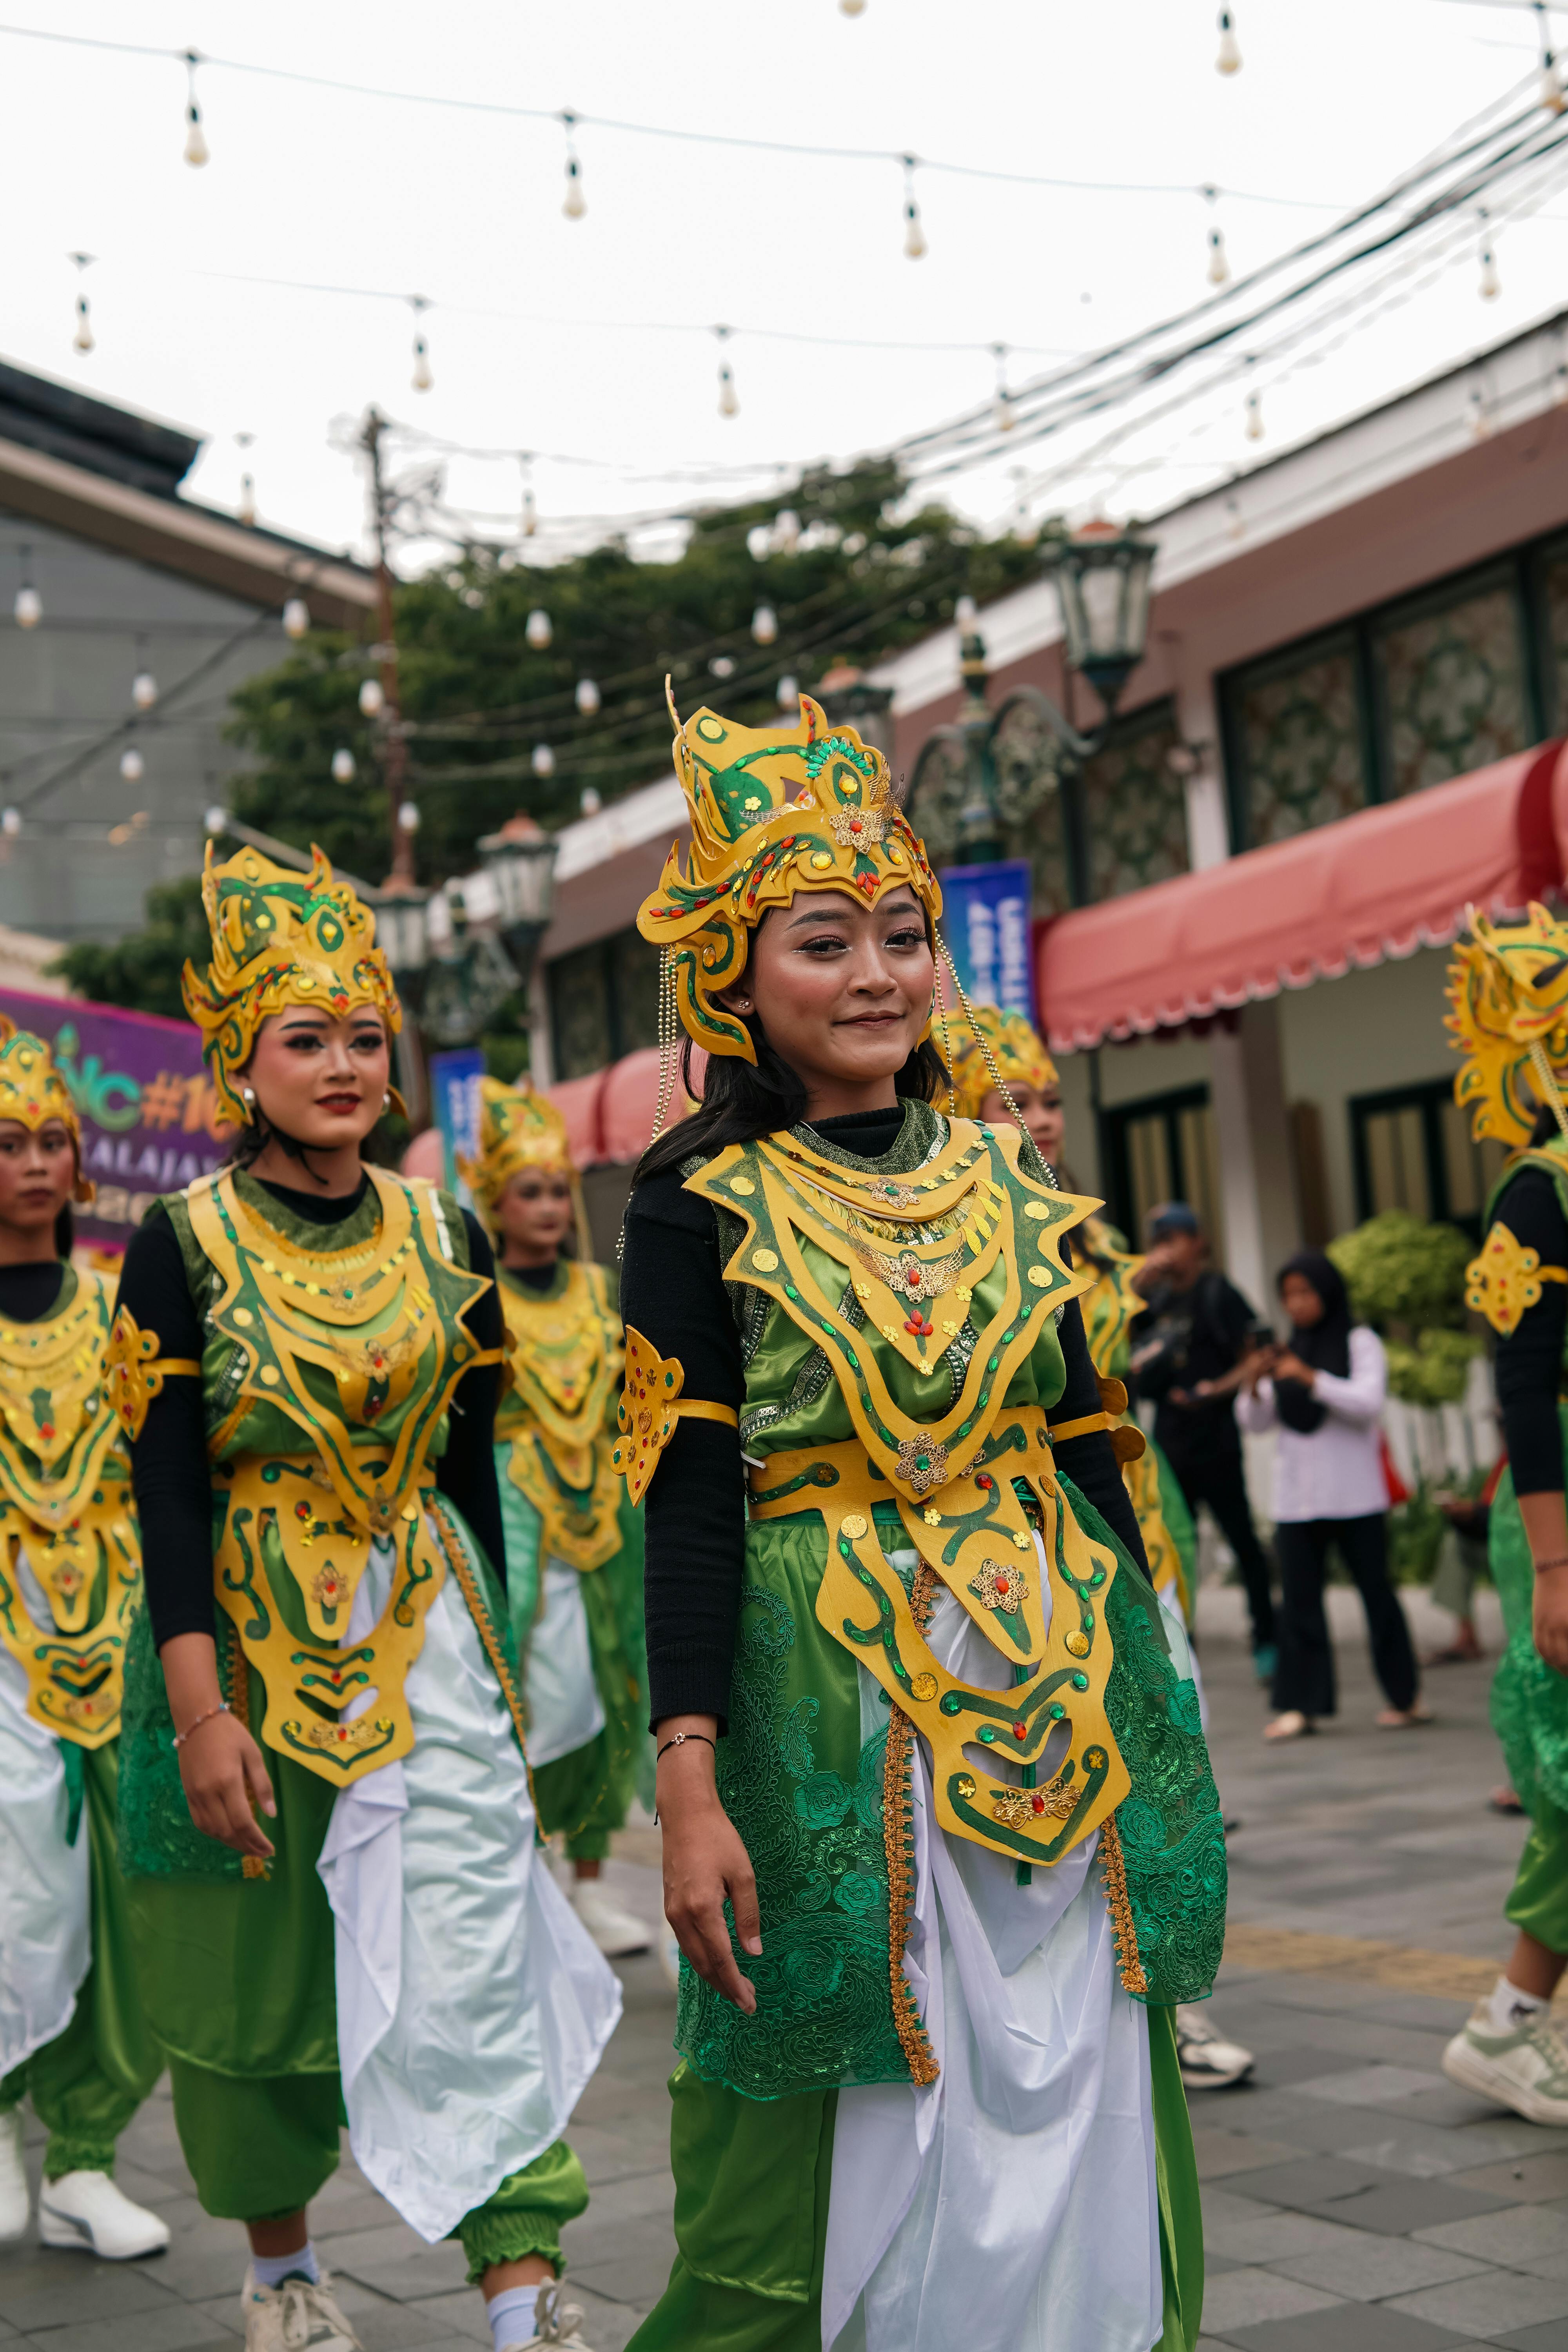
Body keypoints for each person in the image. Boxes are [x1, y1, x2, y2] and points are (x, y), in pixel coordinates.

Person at [618, 690, 1226, 2352]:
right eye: (823, 940)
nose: (876, 971)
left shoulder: (1010, 1178)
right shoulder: (691, 1202)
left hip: (1049, 1680)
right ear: (729, 980)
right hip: (824, 1703)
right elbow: (683, 1498)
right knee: (819, 2122)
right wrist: (684, 1777)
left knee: (1089, 2072)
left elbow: (1089, 1439)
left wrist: (1152, 1671)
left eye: (902, 932)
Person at [112, 845, 619, 2352]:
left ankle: (521, 2279)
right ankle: (280, 2266)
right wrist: (200, 1710)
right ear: (238, 1061)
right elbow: (170, 1488)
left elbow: (469, 1471)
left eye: (362, 1038)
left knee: (468, 1934)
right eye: (304, 1039)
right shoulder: (179, 1243)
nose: (342, 1067)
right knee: (261, 1967)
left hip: (429, 1631)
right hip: (246, 1641)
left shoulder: (444, 1231)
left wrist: (503, 1690)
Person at [947, 1001, 1252, 2093]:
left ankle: (1180, 1994)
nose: (1036, 1120)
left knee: (1169, 1743)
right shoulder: (959, 1243)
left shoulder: (1107, 1247)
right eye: (1007, 1102)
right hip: (1012, 1546)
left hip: (1131, 1517)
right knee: (1062, 1766)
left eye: (1047, 1101)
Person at [0, 1023, 167, 2260]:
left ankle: (86, 2154)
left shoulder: (123, 1312)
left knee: (129, 1912)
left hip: (122, 1654)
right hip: (6, 1663)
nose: (36, 1163)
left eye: (53, 1138)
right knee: (21, 1904)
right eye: (9, 1142)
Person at [461, 1076, 652, 1958]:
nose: (544, 1207)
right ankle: (521, 1865)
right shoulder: (477, 1293)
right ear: (494, 1203)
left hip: (606, 1514)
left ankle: (586, 1876)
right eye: (525, 1192)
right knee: (533, 1690)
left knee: (614, 1689)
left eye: (553, 1190)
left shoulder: (593, 1288)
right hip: (519, 1511)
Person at [1440, 904, 1568, 2126]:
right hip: (1558, 1504)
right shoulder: (1535, 1194)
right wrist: (1554, 1567)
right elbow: (1523, 1391)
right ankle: (1508, 2020)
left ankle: (1519, 2023)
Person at [1236, 1252, 1425, 1741]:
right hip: (1297, 1500)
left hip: (1356, 1494)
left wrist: (1308, 1378)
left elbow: (1366, 1404)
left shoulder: (1358, 1342)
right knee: (1299, 1603)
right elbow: (1253, 1423)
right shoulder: (1288, 1349)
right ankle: (1301, 1706)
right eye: (1288, 1296)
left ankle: (1404, 1698)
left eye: (1306, 1293)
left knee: (1377, 1596)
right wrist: (1255, 1383)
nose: (1296, 1304)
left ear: (1327, 1293)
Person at [1130, 1205, 1278, 1680]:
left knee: (1241, 1539)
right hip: (1170, 1434)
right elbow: (1120, 1346)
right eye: (1160, 1238)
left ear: (1198, 1241)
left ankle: (1267, 1639)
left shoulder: (1217, 1292)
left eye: (1176, 1237)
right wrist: (1138, 1283)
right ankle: (1182, 1648)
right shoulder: (1153, 1297)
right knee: (1176, 1543)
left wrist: (1217, 1388)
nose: (1168, 1247)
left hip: (1214, 1433)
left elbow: (1253, 1355)